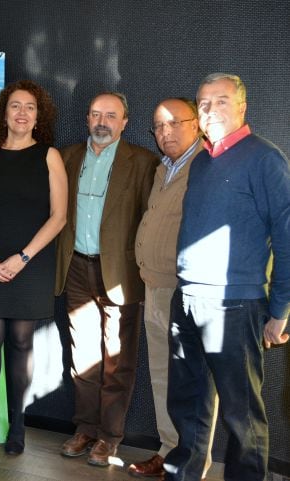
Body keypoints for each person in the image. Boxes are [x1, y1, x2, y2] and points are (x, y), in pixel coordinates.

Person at [165, 73, 290, 481]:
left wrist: (280, 310)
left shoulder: (265, 158)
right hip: (186, 301)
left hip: (235, 306)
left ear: (242, 107)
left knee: (242, 417)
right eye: (203, 103)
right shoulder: (201, 161)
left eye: (220, 101)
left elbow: (286, 236)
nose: (210, 110)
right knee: (187, 406)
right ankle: (183, 475)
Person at [0, 80, 67, 460]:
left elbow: (59, 217)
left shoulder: (49, 156)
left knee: (21, 341)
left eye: (30, 107)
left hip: (30, 264)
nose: (22, 113)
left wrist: (22, 257)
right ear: (3, 113)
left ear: (39, 116)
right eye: (15, 106)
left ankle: (17, 425)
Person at [55, 92, 157, 467]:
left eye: (110, 116)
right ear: (86, 118)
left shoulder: (143, 162)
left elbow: (150, 221)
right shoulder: (66, 158)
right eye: (96, 114)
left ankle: (109, 437)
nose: (102, 121)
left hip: (121, 272)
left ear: (125, 122)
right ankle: (85, 428)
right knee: (82, 356)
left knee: (118, 360)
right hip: (76, 266)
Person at [128, 98, 216, 479]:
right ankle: (168, 454)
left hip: (187, 292)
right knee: (163, 376)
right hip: (156, 286)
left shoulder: (208, 166)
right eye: (158, 127)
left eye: (173, 124)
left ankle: (191, 464)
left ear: (195, 124)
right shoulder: (163, 168)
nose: (164, 133)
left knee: (193, 385)